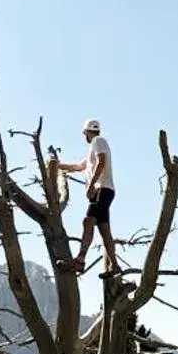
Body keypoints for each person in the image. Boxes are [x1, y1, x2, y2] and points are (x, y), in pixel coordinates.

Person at [51, 118, 118, 277]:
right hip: (105, 190)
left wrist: (91, 185)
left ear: (87, 132)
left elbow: (102, 162)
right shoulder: (92, 150)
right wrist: (56, 164)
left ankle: (80, 260)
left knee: (88, 221)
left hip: (101, 189)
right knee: (104, 230)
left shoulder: (98, 141)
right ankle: (115, 266)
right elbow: (78, 167)